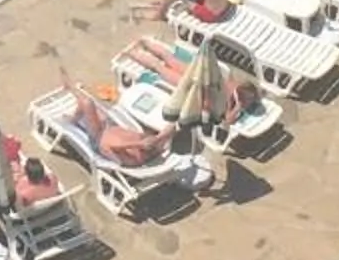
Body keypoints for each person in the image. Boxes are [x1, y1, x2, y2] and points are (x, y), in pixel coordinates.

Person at [119, 38, 267, 116]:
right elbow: (225, 118)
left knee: (169, 58)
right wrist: (236, 109)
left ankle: (145, 44)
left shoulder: (235, 85)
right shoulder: (227, 102)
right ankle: (133, 54)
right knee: (159, 67)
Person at [57, 76, 178, 168]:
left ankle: (72, 120)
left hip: (99, 138)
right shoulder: (156, 146)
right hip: (110, 127)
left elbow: (112, 147)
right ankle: (73, 93)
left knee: (87, 104)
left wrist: (137, 144)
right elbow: (172, 127)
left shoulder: (134, 158)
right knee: (95, 108)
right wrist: (159, 137)